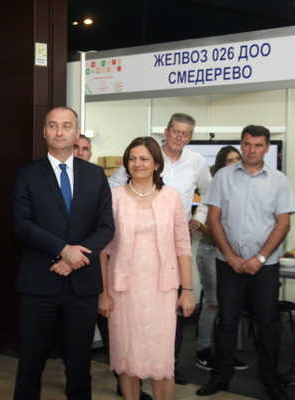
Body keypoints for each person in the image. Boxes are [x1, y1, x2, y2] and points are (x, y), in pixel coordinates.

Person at [11, 106, 115, 399]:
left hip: (82, 285)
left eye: (66, 126)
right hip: (38, 284)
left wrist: (75, 259)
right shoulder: (27, 174)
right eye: (53, 125)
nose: (60, 132)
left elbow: (106, 226)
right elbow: (21, 224)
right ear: (44, 132)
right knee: (31, 362)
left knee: (80, 364)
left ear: (76, 132)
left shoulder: (95, 175)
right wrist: (62, 250)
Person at [108, 113, 212, 385]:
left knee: (164, 344)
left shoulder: (191, 171)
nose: (179, 137)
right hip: (126, 276)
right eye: (175, 131)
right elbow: (105, 242)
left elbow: (208, 195)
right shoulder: (121, 190)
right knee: (128, 344)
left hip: (165, 268)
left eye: (185, 133)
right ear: (167, 132)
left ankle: (166, 373)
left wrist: (199, 217)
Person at [196, 125, 295, 400]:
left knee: (267, 322)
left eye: (258, 145)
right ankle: (221, 377)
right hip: (228, 262)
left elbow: (283, 223)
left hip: (265, 264)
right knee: (227, 320)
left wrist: (260, 258)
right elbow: (213, 218)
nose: (252, 150)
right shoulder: (223, 176)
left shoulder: (278, 180)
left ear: (267, 148)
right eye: (247, 144)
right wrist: (230, 255)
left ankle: (271, 381)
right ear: (242, 145)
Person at [99, 136, 195, 400]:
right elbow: (103, 250)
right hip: (123, 292)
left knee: (162, 362)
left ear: (156, 164)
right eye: (132, 159)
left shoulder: (171, 197)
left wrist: (187, 291)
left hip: (162, 292)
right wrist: (103, 292)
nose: (137, 164)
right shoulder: (113, 198)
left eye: (143, 159)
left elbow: (183, 246)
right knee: (126, 359)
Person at [74, 137, 153, 400]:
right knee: (76, 341)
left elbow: (105, 233)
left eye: (86, 149)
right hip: (67, 269)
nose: (81, 152)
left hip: (99, 270)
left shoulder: (99, 182)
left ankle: (126, 384)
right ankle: (77, 383)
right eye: (76, 147)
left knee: (115, 337)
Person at [194, 146, 249, 371]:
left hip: (233, 255)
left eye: (237, 159)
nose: (234, 163)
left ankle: (226, 353)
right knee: (214, 303)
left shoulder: (243, 186)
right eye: (229, 160)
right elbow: (199, 223)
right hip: (210, 251)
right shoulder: (213, 186)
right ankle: (203, 351)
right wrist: (223, 234)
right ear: (220, 164)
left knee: (231, 305)